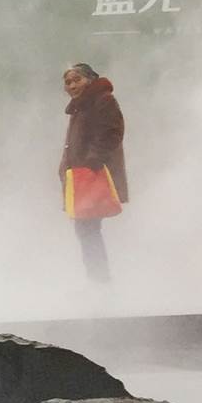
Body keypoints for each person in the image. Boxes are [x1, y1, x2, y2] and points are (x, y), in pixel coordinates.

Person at [59, 61, 128, 282]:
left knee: (87, 230)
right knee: (86, 231)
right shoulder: (82, 106)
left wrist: (92, 163)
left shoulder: (102, 100)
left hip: (92, 176)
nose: (72, 85)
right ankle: (99, 284)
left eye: (77, 79)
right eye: (68, 82)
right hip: (81, 177)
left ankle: (100, 286)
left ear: (90, 79)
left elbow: (111, 132)